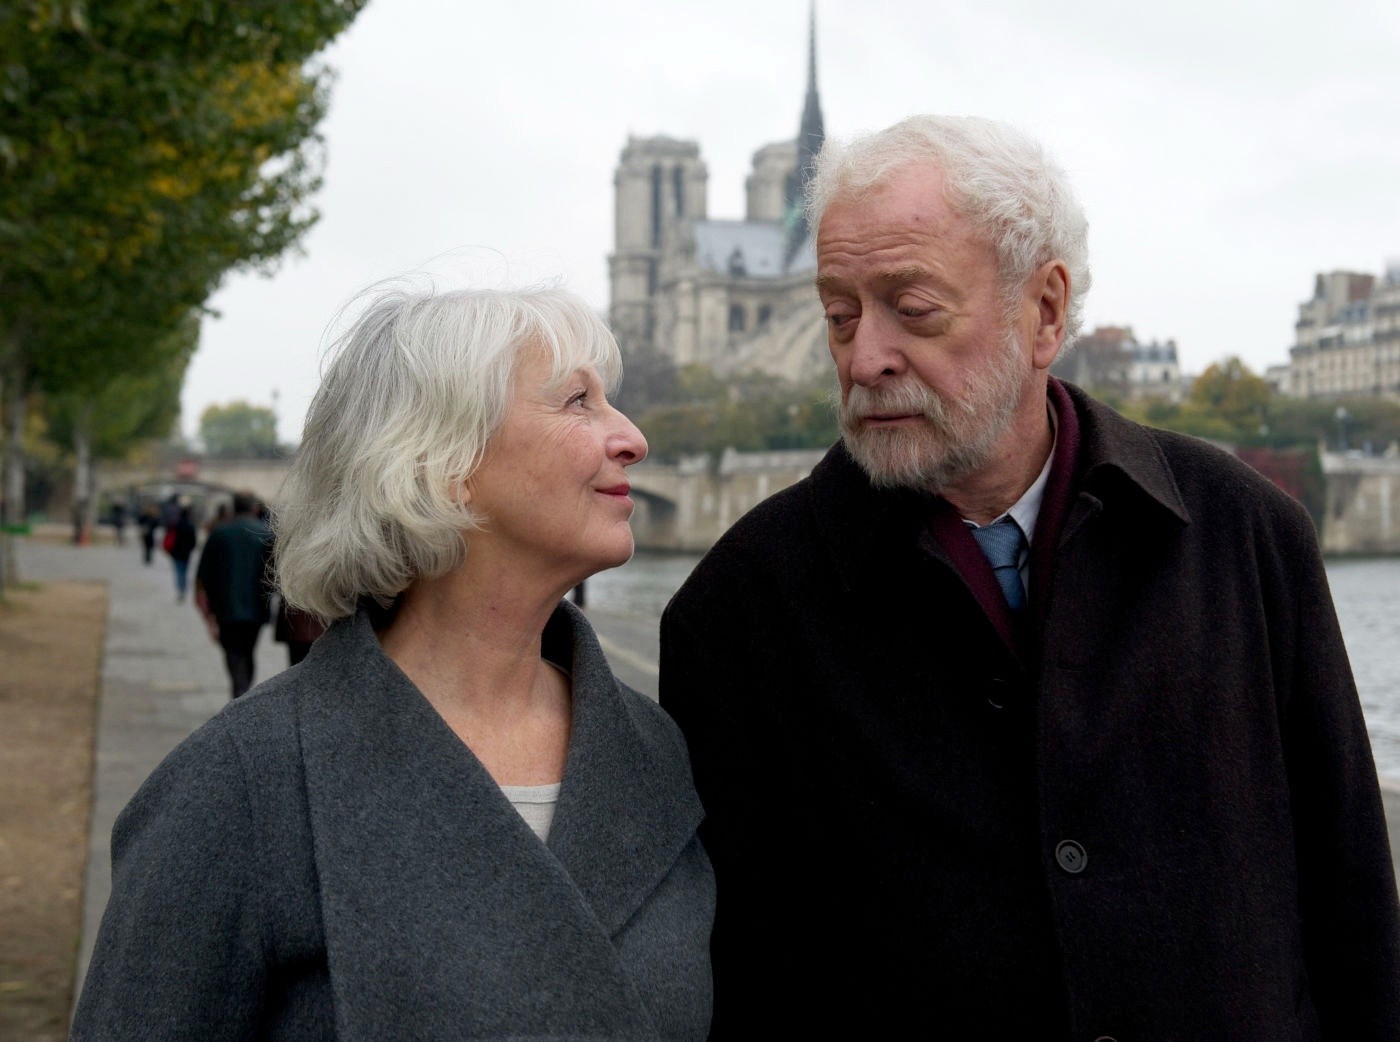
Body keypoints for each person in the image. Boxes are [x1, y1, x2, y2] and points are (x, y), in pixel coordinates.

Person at [660, 115, 1400, 1040]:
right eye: (839, 316)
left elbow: (1353, 911)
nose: (863, 357)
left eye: (912, 309)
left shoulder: (1252, 538)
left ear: (1045, 312)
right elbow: (746, 979)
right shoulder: (738, 610)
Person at [71, 283, 714, 1041]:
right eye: (578, 402)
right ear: (443, 463)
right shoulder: (239, 785)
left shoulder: (657, 751)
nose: (633, 438)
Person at [193, 491, 274, 698]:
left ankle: (240, 689)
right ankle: (243, 690)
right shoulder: (265, 533)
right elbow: (274, 575)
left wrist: (206, 609)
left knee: (232, 651)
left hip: (225, 606)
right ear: (254, 508)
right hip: (256, 606)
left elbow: (203, 574)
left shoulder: (219, 533)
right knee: (249, 649)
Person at [163, 503, 197, 602]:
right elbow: (193, 541)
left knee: (178, 571)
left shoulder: (175, 525)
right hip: (186, 553)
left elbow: (170, 538)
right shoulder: (190, 526)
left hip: (176, 553)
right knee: (184, 571)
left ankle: (180, 590)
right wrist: (190, 548)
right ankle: (183, 588)